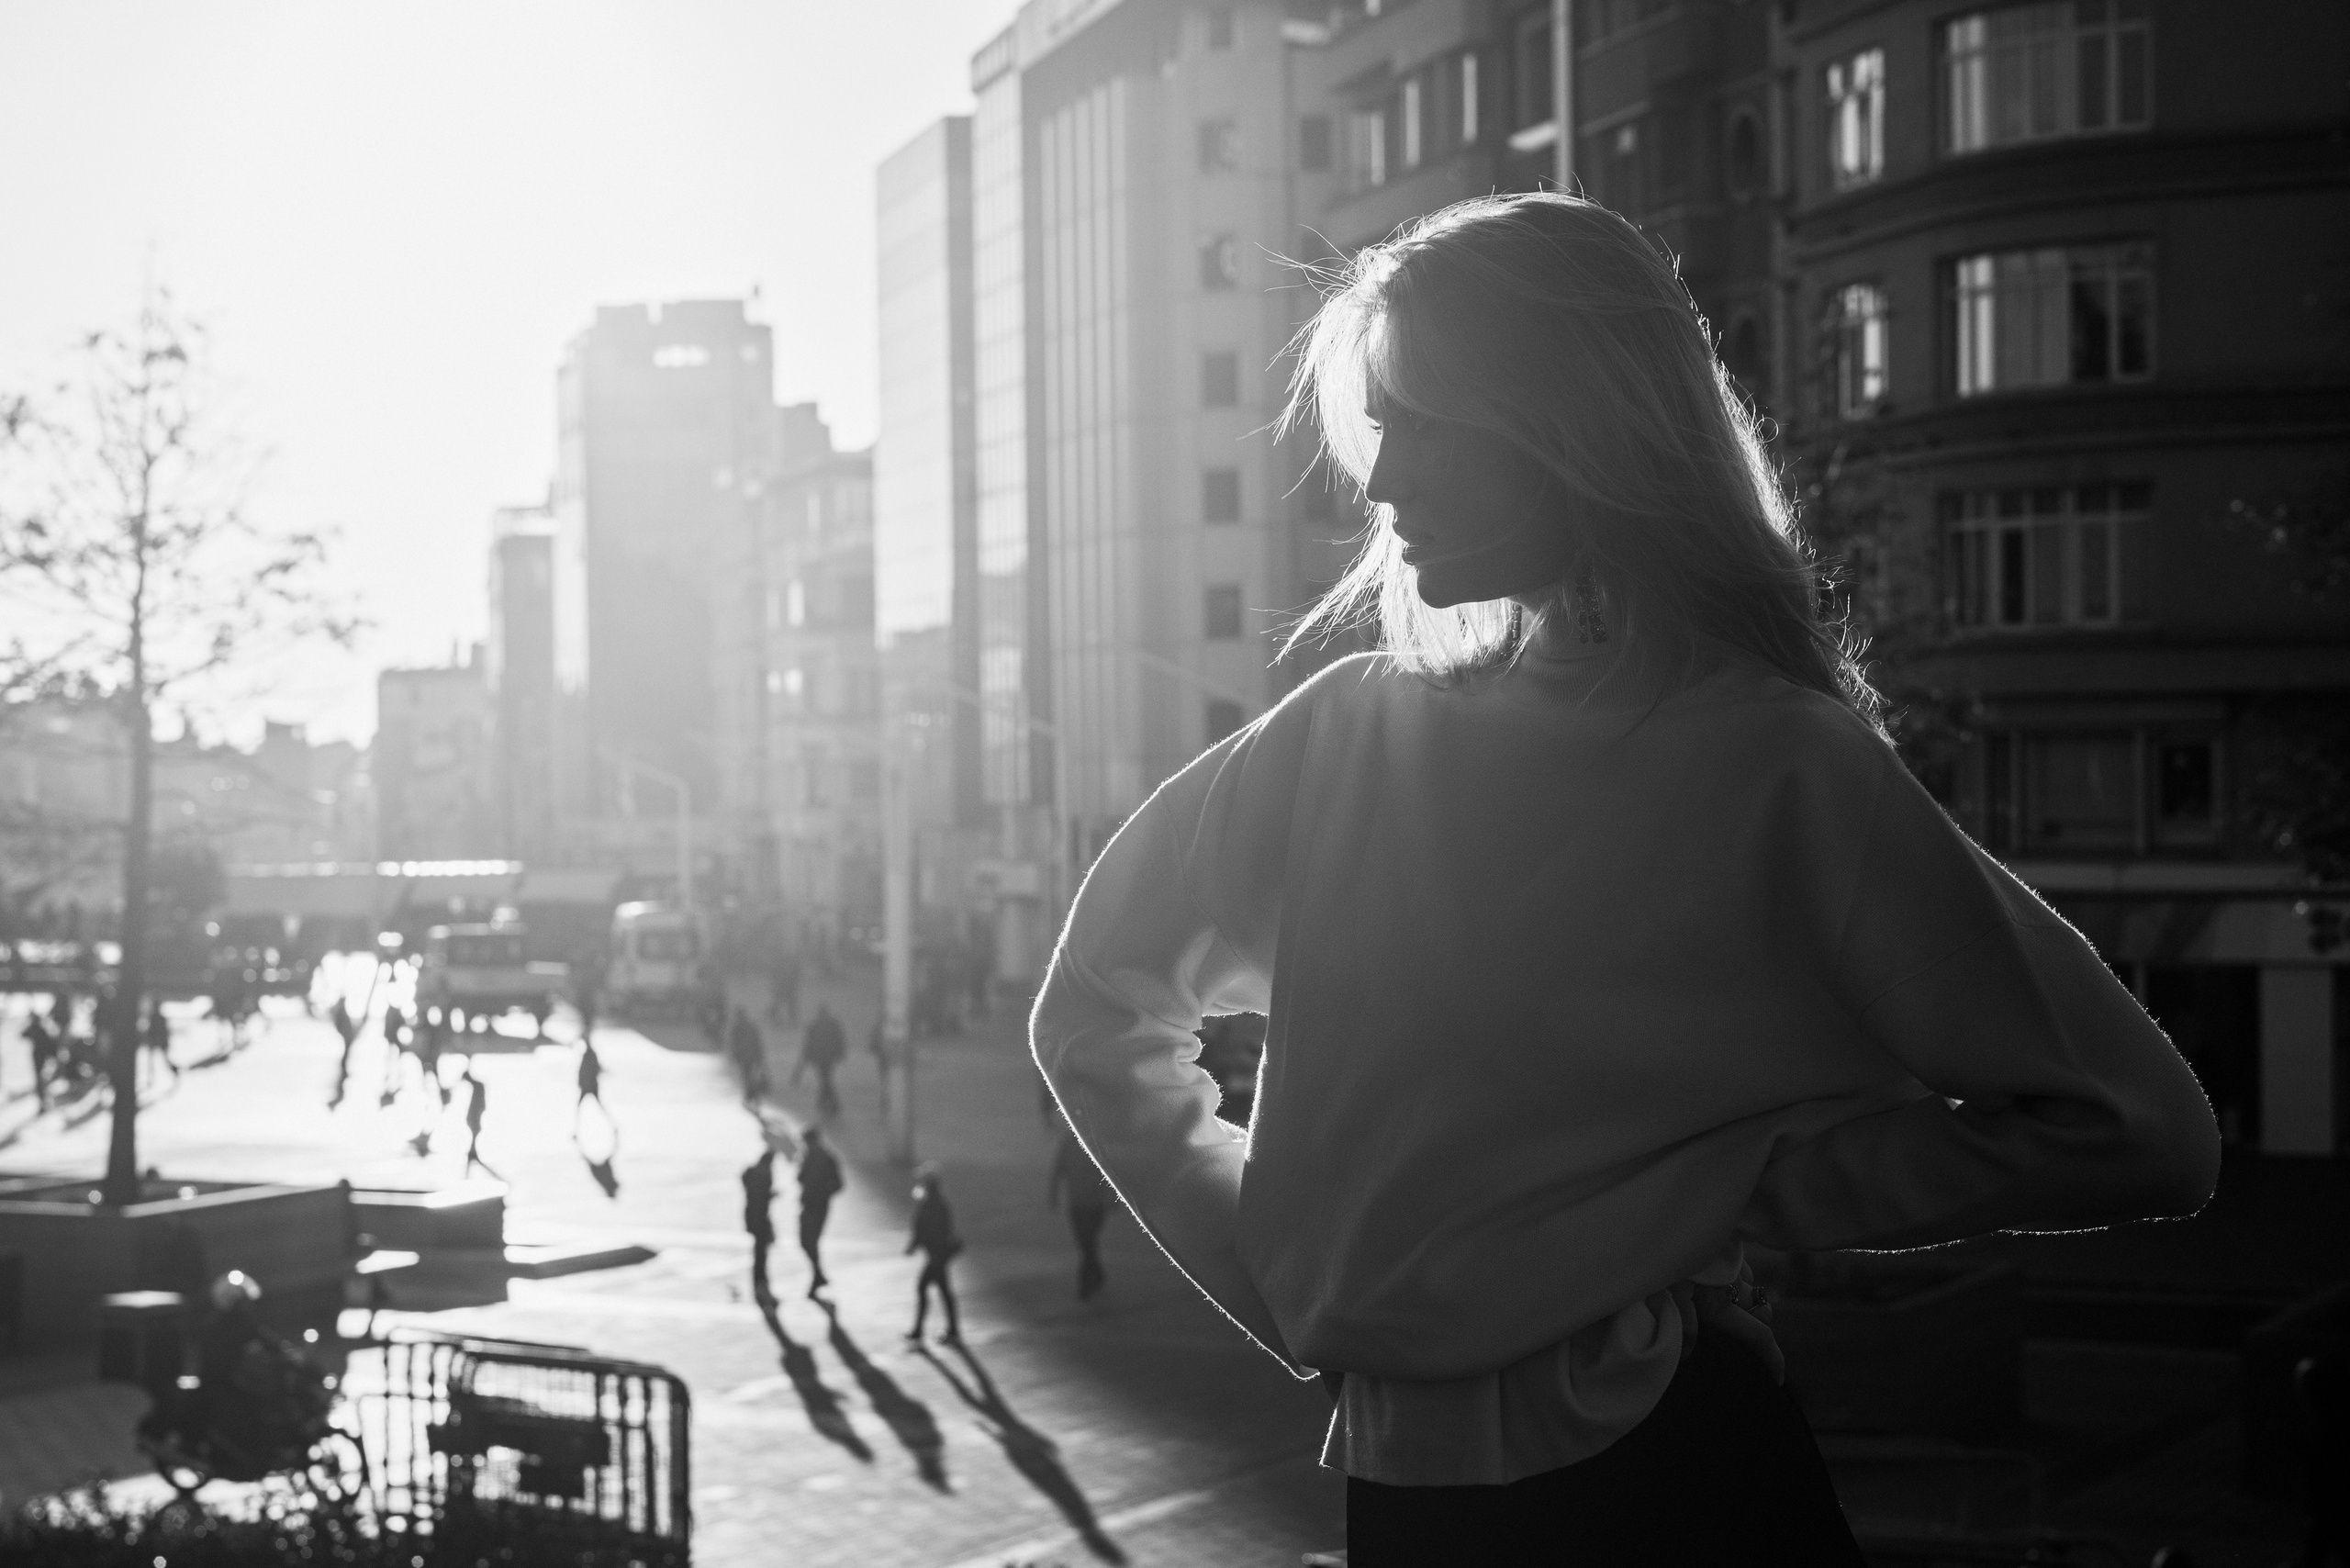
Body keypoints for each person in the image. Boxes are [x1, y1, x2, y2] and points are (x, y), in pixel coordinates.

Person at [1030, 193, 2222, 1565]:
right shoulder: (1344, 736)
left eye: (1425, 422)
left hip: (1669, 1476)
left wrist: (1746, 1200)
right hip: (1424, 1497)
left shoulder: (1778, 764)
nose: (1380, 477)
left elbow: (2141, 1129)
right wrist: (1279, 1268)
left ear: (1572, 432)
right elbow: (1092, 1008)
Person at [1047, 1121, 1114, 1300]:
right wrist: (1053, 1194)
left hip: (1093, 1204)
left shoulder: (1093, 1145)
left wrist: (1112, 1198)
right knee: (1086, 1242)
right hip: (1078, 1204)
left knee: (1087, 1242)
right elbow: (1057, 1171)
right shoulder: (1069, 1144)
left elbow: (1108, 1173)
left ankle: (1085, 1282)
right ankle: (1097, 1273)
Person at [903, 1168, 962, 1347]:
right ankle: (950, 1330)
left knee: (924, 1288)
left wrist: (917, 1246)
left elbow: (931, 1231)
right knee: (943, 1290)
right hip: (937, 1255)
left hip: (937, 1255)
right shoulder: (932, 1203)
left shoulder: (933, 1205)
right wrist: (914, 1245)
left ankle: (920, 1331)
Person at [796, 1125, 843, 1298]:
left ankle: (818, 1277)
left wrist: (822, 1192)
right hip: (808, 1204)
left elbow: (838, 1184)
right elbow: (800, 1178)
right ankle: (818, 1275)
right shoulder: (809, 1157)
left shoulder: (827, 1159)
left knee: (810, 1241)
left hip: (818, 1205)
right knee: (806, 1242)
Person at [794, 1002, 846, 1120]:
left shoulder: (814, 1025)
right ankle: (827, 1101)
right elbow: (840, 1040)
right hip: (829, 1057)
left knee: (825, 1079)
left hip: (819, 1058)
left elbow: (808, 1043)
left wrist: (806, 1058)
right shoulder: (833, 1024)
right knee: (826, 1078)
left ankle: (828, 1102)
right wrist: (841, 1054)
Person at [742, 1147, 778, 1302]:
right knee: (760, 1252)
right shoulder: (764, 1175)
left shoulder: (750, 1172)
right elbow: (762, 1196)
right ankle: (760, 1281)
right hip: (760, 1217)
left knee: (760, 1250)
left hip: (753, 1216)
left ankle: (760, 1280)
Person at [728, 1008, 769, 1104]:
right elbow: (758, 1042)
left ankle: (750, 1095)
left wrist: (734, 1056)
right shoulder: (751, 1026)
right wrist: (761, 1056)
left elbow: (734, 1044)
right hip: (753, 1056)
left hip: (744, 1057)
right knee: (751, 1076)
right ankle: (752, 1095)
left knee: (746, 1077)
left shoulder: (736, 1028)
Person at [460, 1066, 494, 1178]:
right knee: (474, 1135)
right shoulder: (478, 1086)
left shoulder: (478, 1086)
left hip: (473, 1117)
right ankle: (472, 1154)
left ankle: (472, 1154)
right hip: (473, 1118)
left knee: (474, 1135)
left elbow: (482, 1106)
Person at [140, 996, 180, 1083]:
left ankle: (173, 1072)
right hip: (158, 1041)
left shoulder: (156, 1017)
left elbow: (157, 1031)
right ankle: (151, 1078)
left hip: (158, 1041)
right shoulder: (157, 1017)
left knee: (159, 1060)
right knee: (154, 1061)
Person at [767, 946, 802, 1026]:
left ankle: (791, 1019)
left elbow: (794, 978)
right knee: (780, 1004)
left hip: (786, 989)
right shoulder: (780, 966)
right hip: (783, 989)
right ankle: (776, 1019)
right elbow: (775, 977)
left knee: (789, 1004)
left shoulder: (788, 966)